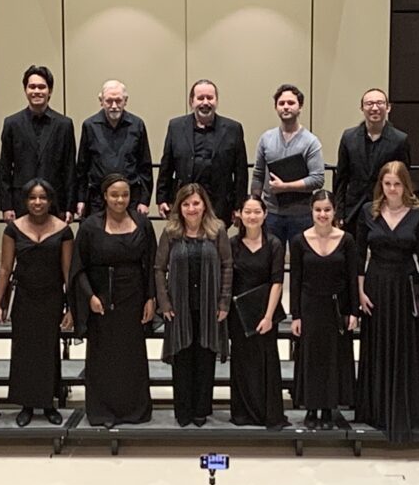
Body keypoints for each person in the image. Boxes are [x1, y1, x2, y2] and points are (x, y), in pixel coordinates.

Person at [70, 174, 157, 427]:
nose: (120, 199)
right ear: (105, 196)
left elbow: (151, 264)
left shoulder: (142, 224)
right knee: (103, 357)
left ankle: (134, 410)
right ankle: (102, 411)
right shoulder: (90, 226)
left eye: (125, 195)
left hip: (133, 298)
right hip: (101, 300)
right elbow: (78, 267)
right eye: (114, 195)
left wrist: (150, 298)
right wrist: (90, 297)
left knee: (131, 355)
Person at [356, 160, 419, 442]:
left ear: (405, 186)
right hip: (375, 284)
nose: (392, 189)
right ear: (381, 185)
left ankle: (402, 409)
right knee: (377, 345)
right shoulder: (368, 211)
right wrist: (360, 292)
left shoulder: (418, 215)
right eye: (387, 184)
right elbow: (359, 255)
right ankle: (374, 410)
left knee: (403, 347)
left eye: (397, 184)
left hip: (405, 286)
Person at [0, 178, 73, 427]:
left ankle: (49, 403)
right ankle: (26, 404)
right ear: (25, 201)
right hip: (25, 297)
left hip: (51, 298)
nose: (37, 202)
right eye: (32, 198)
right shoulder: (12, 228)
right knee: (24, 350)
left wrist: (70, 306)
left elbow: (68, 271)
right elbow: (6, 268)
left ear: (50, 201)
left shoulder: (63, 229)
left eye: (42, 198)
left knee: (49, 350)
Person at [155, 183, 233, 427]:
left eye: (196, 203)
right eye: (186, 204)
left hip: (210, 306)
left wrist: (224, 301)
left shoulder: (217, 229)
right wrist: (164, 301)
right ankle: (183, 411)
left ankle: (201, 410)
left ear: (204, 205)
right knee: (183, 357)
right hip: (179, 306)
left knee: (205, 357)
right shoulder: (170, 231)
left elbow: (227, 266)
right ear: (180, 206)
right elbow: (159, 268)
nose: (191, 208)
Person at [289, 190, 359, 429]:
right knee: (311, 358)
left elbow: (352, 278)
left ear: (334, 212)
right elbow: (295, 280)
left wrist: (354, 312)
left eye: (327, 210)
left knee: (334, 357)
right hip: (310, 306)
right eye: (318, 210)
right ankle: (311, 408)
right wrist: (295, 315)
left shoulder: (347, 240)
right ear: (311, 211)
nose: (322, 214)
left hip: (337, 307)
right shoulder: (299, 240)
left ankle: (330, 408)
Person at [228, 194, 289, 429]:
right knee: (241, 362)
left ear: (265, 215)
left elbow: (277, 282)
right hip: (239, 313)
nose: (252, 216)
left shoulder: (274, 244)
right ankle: (242, 413)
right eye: (247, 211)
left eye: (257, 212)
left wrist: (268, 316)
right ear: (239, 215)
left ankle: (267, 413)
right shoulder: (231, 244)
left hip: (265, 311)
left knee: (266, 361)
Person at [156, 79, 247, 227]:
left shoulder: (233, 129)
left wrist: (239, 206)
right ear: (191, 101)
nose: (205, 102)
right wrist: (162, 199)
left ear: (216, 100)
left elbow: (241, 172)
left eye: (210, 98)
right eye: (200, 98)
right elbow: (166, 165)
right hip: (186, 204)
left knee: (216, 247)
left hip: (220, 205)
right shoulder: (176, 126)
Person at [250, 83, 326, 250]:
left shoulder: (310, 141)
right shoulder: (266, 139)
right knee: (269, 264)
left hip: (301, 215)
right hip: (271, 214)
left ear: (300, 107)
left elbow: (318, 179)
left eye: (291, 103)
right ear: (276, 107)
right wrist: (255, 205)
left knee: (301, 265)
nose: (286, 107)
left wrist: (285, 187)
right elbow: (258, 174)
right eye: (281, 103)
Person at [0, 65, 76, 221]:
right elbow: (5, 168)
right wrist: (6, 206)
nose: (36, 91)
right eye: (32, 86)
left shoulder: (64, 124)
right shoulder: (12, 123)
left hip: (54, 201)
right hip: (21, 201)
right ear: (25, 90)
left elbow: (69, 168)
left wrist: (70, 206)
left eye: (42, 87)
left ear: (50, 91)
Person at [333, 88, 411, 238]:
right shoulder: (348, 137)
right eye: (369, 103)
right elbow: (341, 178)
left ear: (388, 107)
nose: (374, 108)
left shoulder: (400, 139)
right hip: (354, 208)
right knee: (354, 257)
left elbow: (403, 179)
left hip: (387, 207)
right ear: (362, 108)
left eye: (379, 103)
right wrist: (339, 210)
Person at [75, 80, 153, 218]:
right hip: (97, 200)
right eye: (109, 101)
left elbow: (145, 166)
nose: (114, 106)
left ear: (126, 101)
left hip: (130, 199)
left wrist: (144, 201)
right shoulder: (89, 126)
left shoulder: (137, 125)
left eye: (118, 101)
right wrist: (80, 199)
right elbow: (82, 167)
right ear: (101, 101)